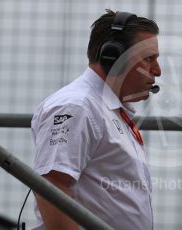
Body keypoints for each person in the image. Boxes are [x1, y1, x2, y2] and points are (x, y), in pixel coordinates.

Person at [31, 9, 161, 230]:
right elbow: (52, 188)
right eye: (148, 59)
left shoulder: (104, 109)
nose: (157, 70)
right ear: (114, 57)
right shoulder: (77, 107)